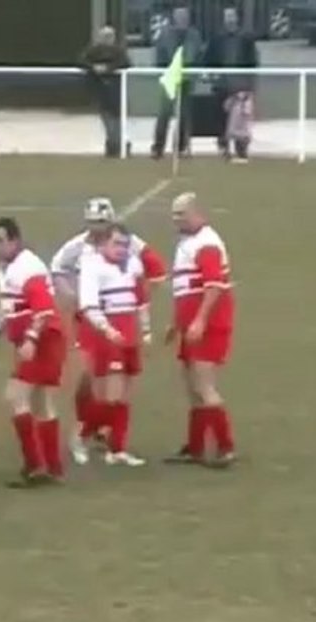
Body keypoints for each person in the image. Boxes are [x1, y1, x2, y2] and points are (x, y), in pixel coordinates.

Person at [0, 217, 66, 485]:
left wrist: (30, 339)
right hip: (38, 339)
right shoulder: (7, 267)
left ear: (14, 241)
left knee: (16, 396)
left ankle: (35, 466)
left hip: (44, 340)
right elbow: (11, 307)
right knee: (41, 403)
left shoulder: (28, 268)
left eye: (0, 240)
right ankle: (51, 467)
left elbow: (43, 310)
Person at [163, 193, 236, 468]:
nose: (175, 219)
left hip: (208, 326)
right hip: (192, 325)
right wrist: (176, 322)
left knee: (204, 386)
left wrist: (201, 320)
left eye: (180, 214)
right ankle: (195, 447)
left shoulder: (206, 244)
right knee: (193, 388)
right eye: (174, 214)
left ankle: (225, 446)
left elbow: (214, 286)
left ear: (196, 213)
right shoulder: (189, 241)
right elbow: (186, 289)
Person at [78, 230, 158, 466]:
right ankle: (81, 436)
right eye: (116, 244)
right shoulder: (92, 268)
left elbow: (142, 299)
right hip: (109, 335)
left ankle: (118, 449)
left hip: (130, 333)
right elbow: (88, 306)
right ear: (103, 244)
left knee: (123, 397)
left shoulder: (133, 264)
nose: (121, 249)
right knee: (111, 398)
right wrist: (107, 330)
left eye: (124, 244)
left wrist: (145, 331)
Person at [50, 198, 116, 463]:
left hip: (117, 318)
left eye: (100, 222)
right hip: (88, 319)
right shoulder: (77, 247)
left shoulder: (125, 244)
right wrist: (74, 297)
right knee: (87, 376)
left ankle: (103, 428)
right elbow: (57, 270)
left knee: (113, 379)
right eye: (91, 222)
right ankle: (80, 431)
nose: (95, 228)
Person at [205, 7, 259, 163]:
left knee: (241, 118)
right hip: (222, 85)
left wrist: (249, 85)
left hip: (240, 85)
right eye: (226, 16)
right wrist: (211, 76)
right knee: (221, 118)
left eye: (231, 16)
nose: (229, 19)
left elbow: (253, 62)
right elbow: (208, 60)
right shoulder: (216, 39)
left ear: (236, 18)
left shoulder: (246, 38)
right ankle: (223, 147)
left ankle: (241, 149)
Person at [151, 6, 203, 160]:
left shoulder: (195, 35)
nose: (182, 19)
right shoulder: (165, 34)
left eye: (184, 17)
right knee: (164, 113)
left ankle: (181, 147)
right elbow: (160, 55)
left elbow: (199, 56)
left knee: (185, 115)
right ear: (174, 18)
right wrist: (163, 73)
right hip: (169, 79)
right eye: (179, 17)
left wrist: (195, 74)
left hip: (187, 79)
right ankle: (158, 147)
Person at [79, 25, 131, 158]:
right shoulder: (93, 50)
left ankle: (120, 146)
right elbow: (82, 61)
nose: (108, 39)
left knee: (118, 121)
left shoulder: (119, 51)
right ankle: (113, 146)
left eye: (110, 36)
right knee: (108, 121)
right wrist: (94, 68)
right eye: (105, 36)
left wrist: (108, 68)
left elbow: (126, 63)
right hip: (101, 92)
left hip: (116, 92)